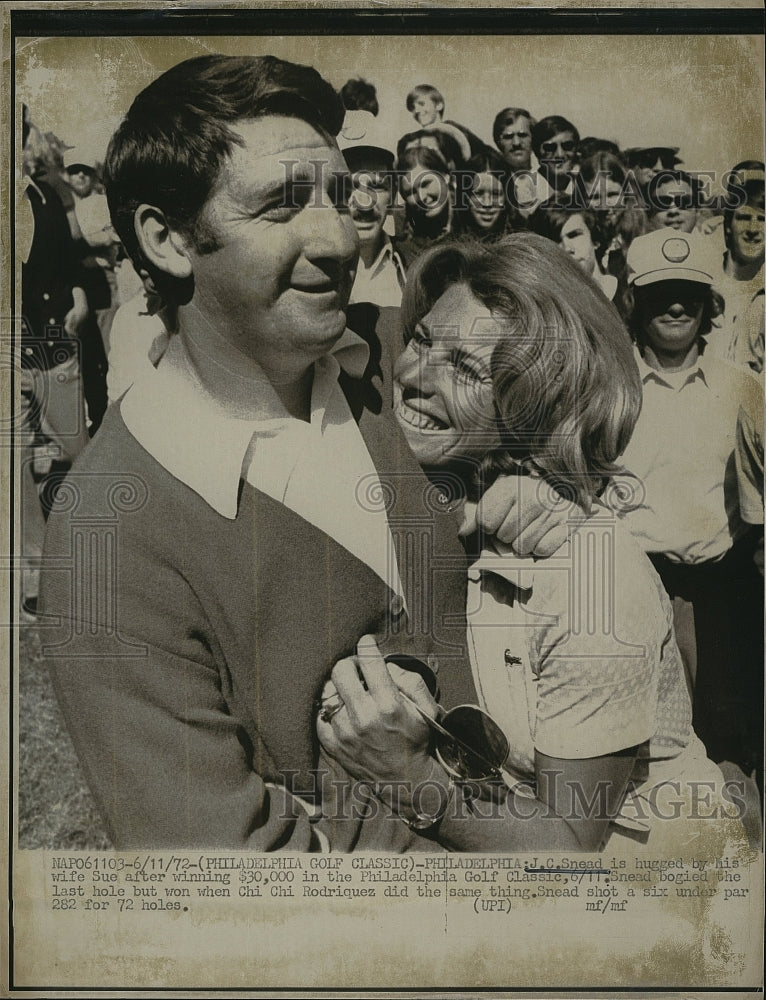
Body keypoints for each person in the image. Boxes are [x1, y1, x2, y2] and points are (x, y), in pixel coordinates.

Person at [40, 54, 571, 850]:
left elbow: (584, 396)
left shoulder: (406, 359)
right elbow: (234, 883)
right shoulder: (108, 539)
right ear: (168, 239)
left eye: (337, 194)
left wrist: (545, 510)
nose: (337, 236)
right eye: (282, 205)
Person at [318, 234, 737, 852]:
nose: (413, 377)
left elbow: (569, 847)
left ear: (533, 407)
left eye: (464, 369)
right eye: (422, 341)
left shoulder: (593, 581)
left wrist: (409, 778)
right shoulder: (468, 511)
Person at [618, 228, 763, 795]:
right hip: (634, 589)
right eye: (660, 294)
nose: (676, 307)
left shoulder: (743, 389)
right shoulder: (611, 387)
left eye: (690, 294)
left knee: (726, 748)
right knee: (644, 751)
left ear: (710, 306)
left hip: (720, 596)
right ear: (634, 300)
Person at [19, 107, 91, 616]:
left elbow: (68, 258)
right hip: (14, 349)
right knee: (18, 466)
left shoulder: (49, 194)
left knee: (73, 454)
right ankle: (35, 578)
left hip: (56, 342)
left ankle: (82, 569)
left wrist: (81, 294)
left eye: (18, 135)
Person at [705, 161, 764, 374]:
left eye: (762, 219)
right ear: (727, 224)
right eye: (744, 218)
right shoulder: (703, 281)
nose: (753, 229)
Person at [342, 142, 406, 308]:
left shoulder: (412, 265)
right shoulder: (311, 268)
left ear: (392, 198)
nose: (365, 203)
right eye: (351, 186)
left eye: (377, 186)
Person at [531, 201, 617, 299]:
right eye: (555, 241)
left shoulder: (631, 294)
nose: (567, 248)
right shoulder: (551, 308)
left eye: (574, 235)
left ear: (595, 240)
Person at [394, 144, 454, 269]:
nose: (421, 197)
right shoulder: (399, 235)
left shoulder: (473, 214)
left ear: (445, 176)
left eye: (426, 184)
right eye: (411, 192)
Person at [453, 148, 516, 241]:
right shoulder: (450, 246)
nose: (487, 203)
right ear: (466, 197)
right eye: (478, 193)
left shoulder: (519, 243)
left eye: (496, 194)